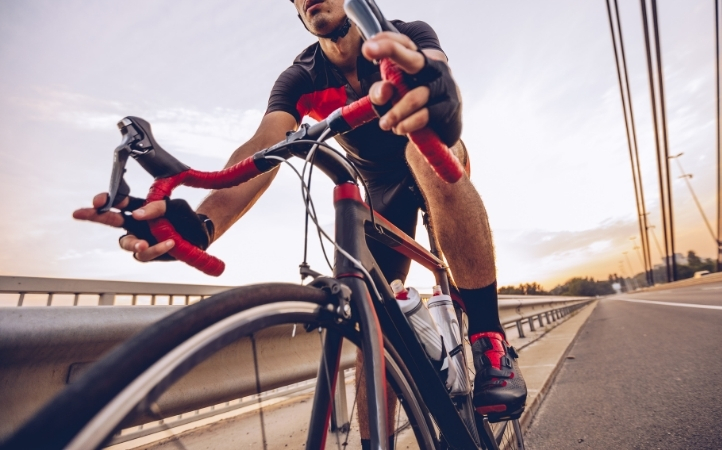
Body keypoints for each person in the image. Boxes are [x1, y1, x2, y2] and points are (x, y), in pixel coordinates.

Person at [73, 0, 526, 445]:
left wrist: (436, 84)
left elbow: (433, 67)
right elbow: (265, 146)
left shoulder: (403, 33)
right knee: (377, 327)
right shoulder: (301, 76)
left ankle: (488, 338)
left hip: (431, 149)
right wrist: (201, 224)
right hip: (380, 190)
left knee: (427, 151)